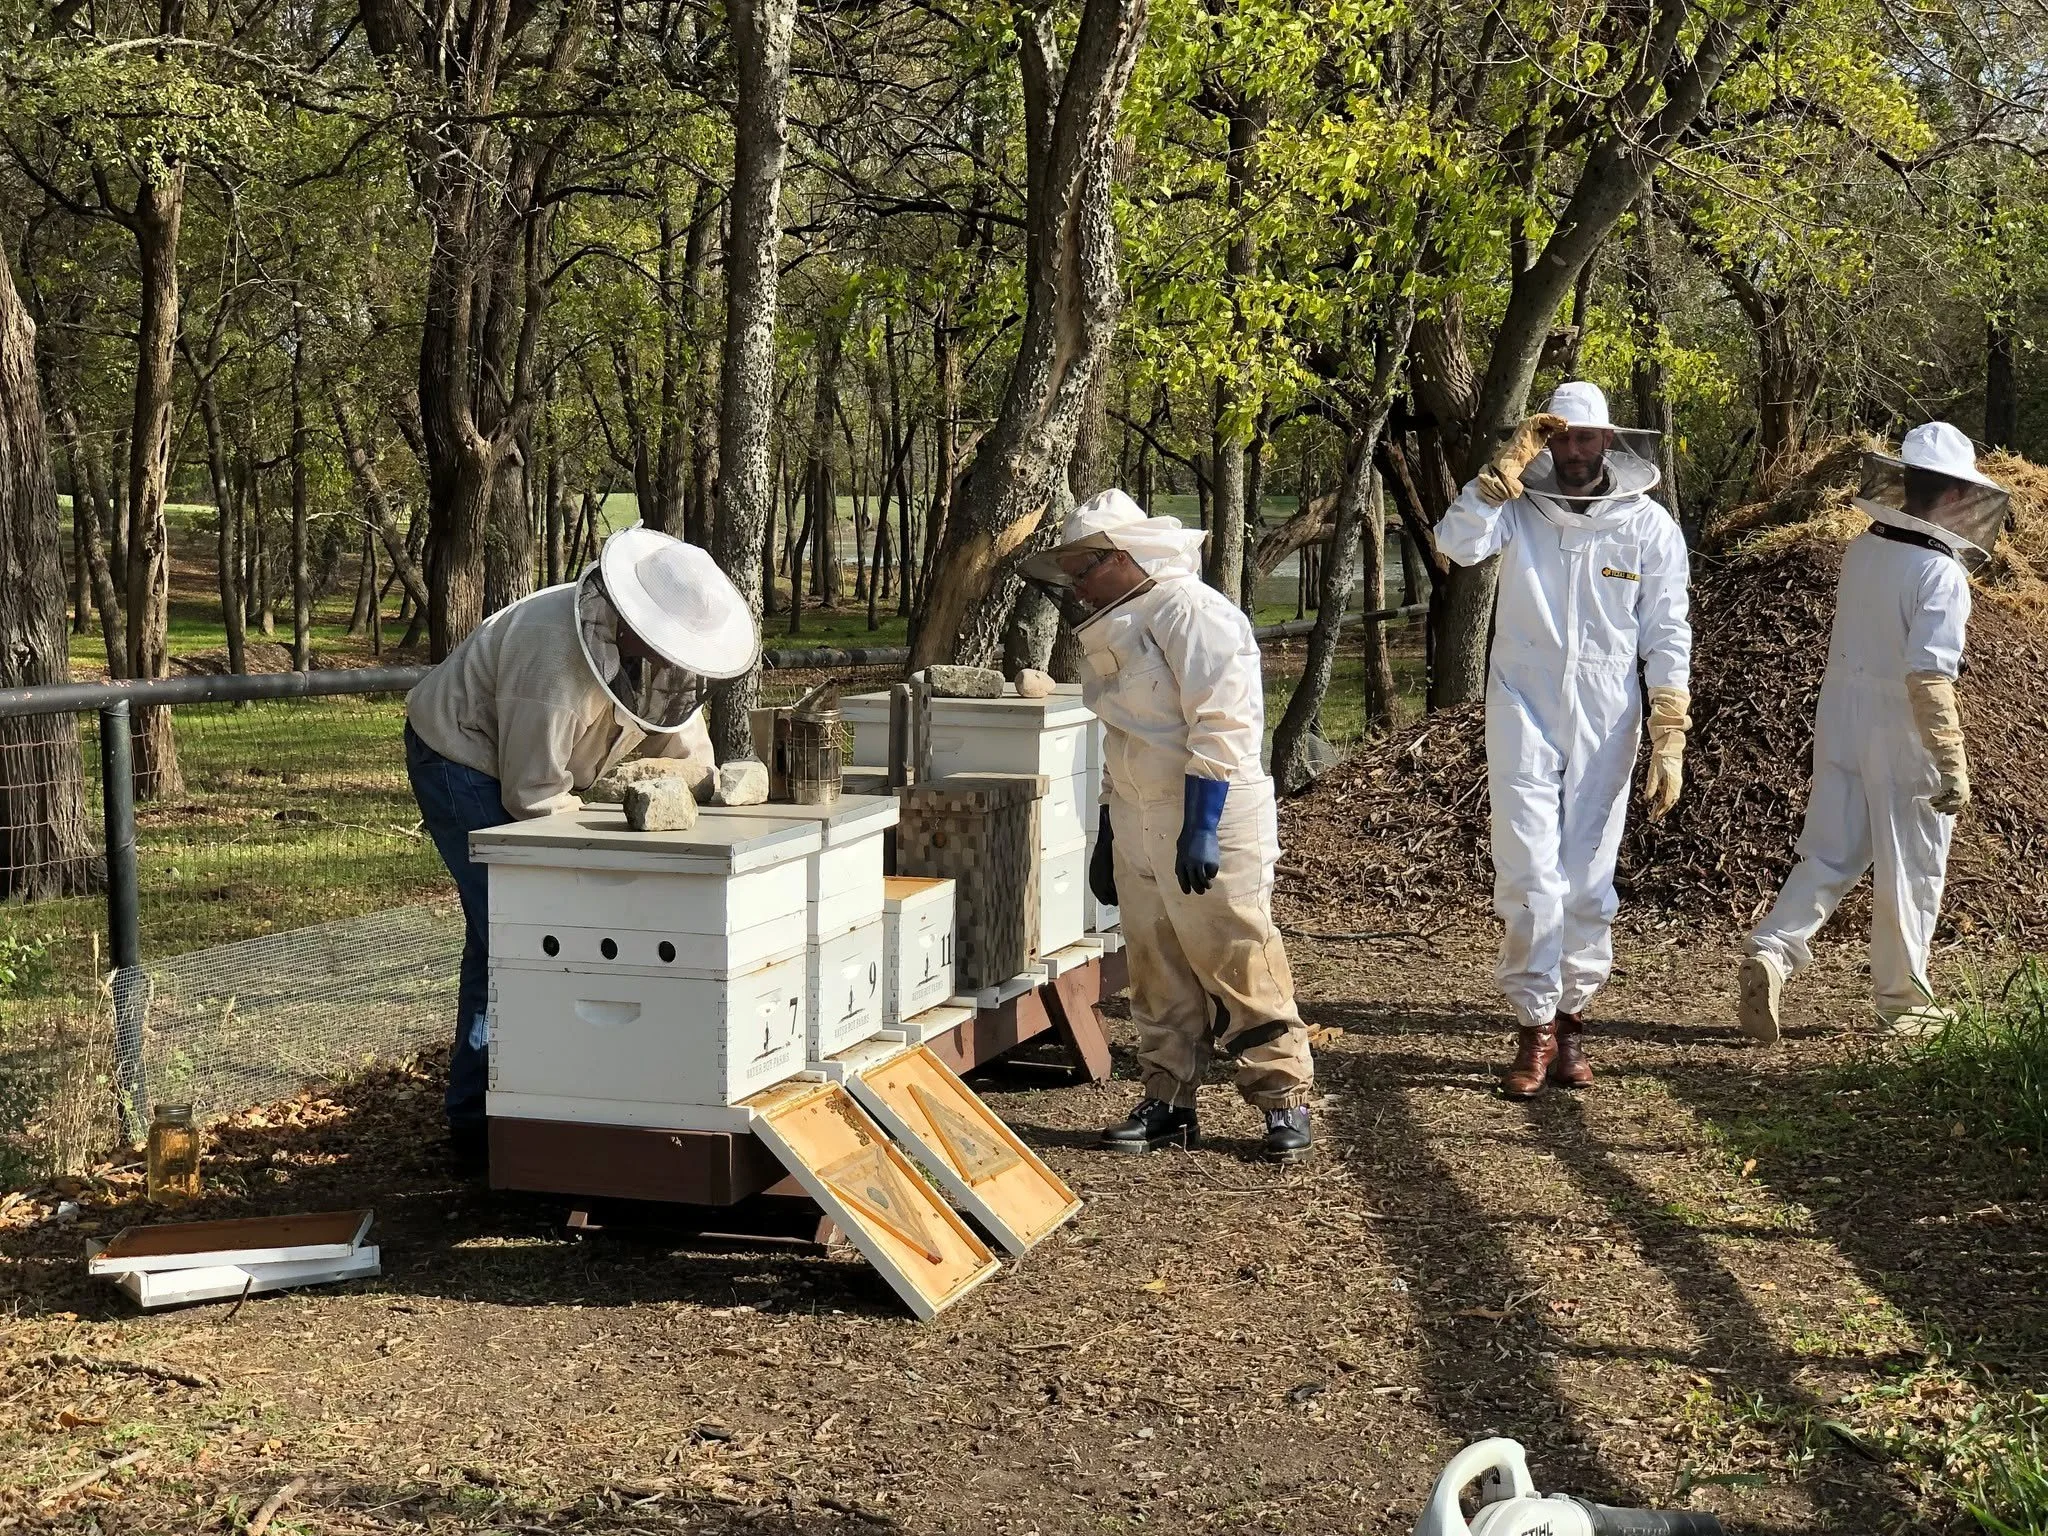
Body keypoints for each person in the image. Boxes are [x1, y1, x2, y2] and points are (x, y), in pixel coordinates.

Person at [404, 527, 758, 1157]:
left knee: (513, 939)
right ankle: (485, 1124)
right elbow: (534, 796)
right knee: (515, 935)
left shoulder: (660, 665)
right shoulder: (555, 661)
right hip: (461, 757)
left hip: (524, 767)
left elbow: (690, 759)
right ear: (630, 620)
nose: (674, 662)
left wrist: (712, 791)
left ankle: (518, 1105)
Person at [1021, 490, 1314, 1163]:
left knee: (1239, 956)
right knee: (1154, 969)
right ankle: (1169, 1101)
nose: (1077, 583)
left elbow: (1225, 722)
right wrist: (1105, 826)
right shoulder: (1125, 621)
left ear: (1123, 558)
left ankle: (1283, 1099)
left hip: (1211, 814)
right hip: (1138, 815)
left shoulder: (1194, 611)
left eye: (1084, 568)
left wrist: (1201, 823)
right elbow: (1121, 737)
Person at [1435, 381, 1693, 1097]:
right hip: (1522, 698)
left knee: (1586, 876)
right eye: (1560, 437)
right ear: (1543, 440)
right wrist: (1498, 473)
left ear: (1608, 442)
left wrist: (1670, 726)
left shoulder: (1647, 527)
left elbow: (1667, 628)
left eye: (1585, 438)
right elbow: (1453, 543)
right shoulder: (1518, 510)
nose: (1573, 452)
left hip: (1610, 711)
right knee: (1526, 869)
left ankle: (1572, 1021)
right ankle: (1533, 1024)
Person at [1740, 423, 2007, 1039]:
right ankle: (1903, 1002)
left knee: (1831, 850)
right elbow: (1930, 677)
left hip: (1841, 713)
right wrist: (1952, 759)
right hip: (1902, 726)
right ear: (1953, 496)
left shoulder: (1864, 549)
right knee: (1911, 862)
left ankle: (1773, 949)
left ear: (1908, 485)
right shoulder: (1941, 573)